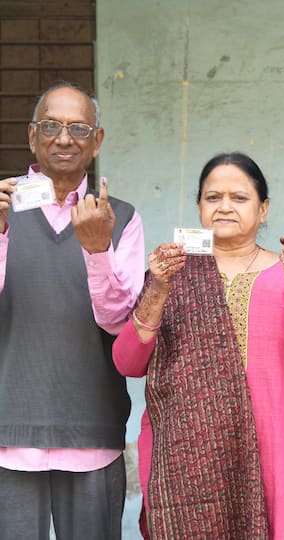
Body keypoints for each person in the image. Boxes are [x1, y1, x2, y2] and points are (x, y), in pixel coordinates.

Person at [112, 152, 284, 540]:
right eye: (212, 197)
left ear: (263, 208)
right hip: (188, 457)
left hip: (276, 447)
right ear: (199, 206)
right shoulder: (170, 274)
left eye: (239, 198)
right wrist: (157, 292)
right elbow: (128, 363)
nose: (224, 207)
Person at [0, 82, 145, 538]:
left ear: (96, 140)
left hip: (92, 433)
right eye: (51, 126)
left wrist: (98, 250)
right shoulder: (2, 210)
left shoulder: (120, 217)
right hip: (8, 434)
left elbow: (120, 321)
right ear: (31, 136)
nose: (64, 138)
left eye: (79, 128)